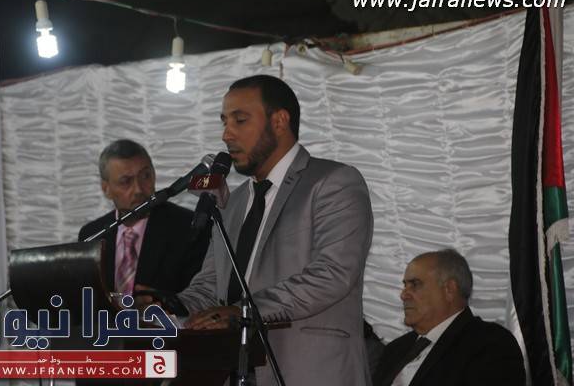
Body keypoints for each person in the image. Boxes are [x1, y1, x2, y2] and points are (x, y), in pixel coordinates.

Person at [172, 74, 374, 386]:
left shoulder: (334, 183)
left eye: (240, 120)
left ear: (279, 121)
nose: (226, 134)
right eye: (224, 122)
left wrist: (244, 311)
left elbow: (333, 273)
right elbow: (212, 286)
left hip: (310, 373)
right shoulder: (233, 203)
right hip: (234, 370)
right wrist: (167, 307)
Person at [78, 139, 211, 298]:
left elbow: (201, 296)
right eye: (126, 181)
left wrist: (164, 302)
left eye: (145, 176)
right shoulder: (91, 234)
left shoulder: (189, 228)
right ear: (106, 189)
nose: (138, 189)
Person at [372, 249, 525, 386]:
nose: (403, 295)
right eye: (405, 285)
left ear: (449, 289)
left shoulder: (490, 344)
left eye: (415, 284)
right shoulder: (395, 349)